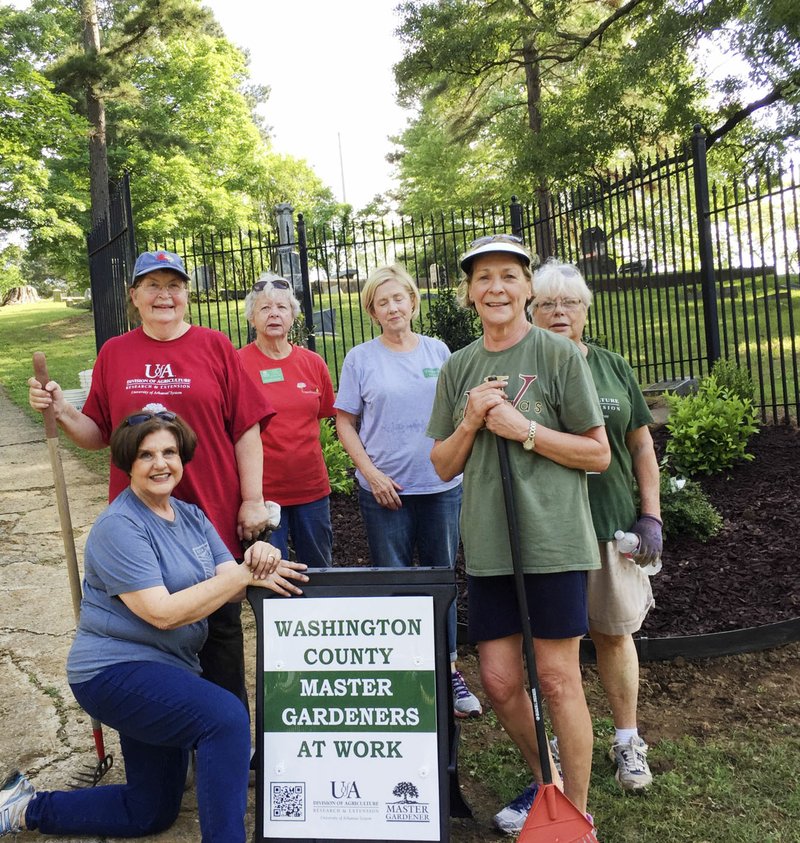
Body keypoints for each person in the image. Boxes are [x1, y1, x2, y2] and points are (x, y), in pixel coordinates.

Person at [0, 410, 307, 841]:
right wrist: (240, 574)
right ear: (128, 463)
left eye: (169, 452)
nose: (160, 463)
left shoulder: (192, 517)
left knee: (150, 811)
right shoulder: (119, 527)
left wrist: (259, 560)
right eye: (146, 455)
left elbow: (233, 586)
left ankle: (24, 809)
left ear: (182, 457)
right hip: (114, 673)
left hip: (167, 672)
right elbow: (161, 612)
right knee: (225, 719)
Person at [28, 250, 274, 710]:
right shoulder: (115, 352)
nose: (165, 295)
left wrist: (253, 499)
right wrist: (60, 410)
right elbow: (99, 434)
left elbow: (246, 428)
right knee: (149, 633)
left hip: (209, 512)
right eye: (153, 285)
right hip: (139, 526)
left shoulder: (215, 346)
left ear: (186, 294)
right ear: (135, 296)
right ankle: (169, 746)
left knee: (219, 632)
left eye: (174, 285)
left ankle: (226, 746)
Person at [426, 234, 610, 836]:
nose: (496, 288)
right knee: (502, 683)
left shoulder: (558, 356)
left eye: (508, 276)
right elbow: (443, 465)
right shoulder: (459, 367)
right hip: (487, 544)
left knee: (557, 680)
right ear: (469, 292)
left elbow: (597, 454)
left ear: (528, 287)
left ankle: (574, 816)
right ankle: (547, 781)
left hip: (552, 539)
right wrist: (475, 419)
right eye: (483, 278)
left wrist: (522, 428)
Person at [531, 258, 660, 792]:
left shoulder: (611, 366)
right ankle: (565, 735)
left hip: (610, 527)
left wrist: (650, 513)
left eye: (571, 303)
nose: (560, 312)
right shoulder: (522, 369)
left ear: (586, 309)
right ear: (530, 311)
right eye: (547, 304)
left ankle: (626, 740)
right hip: (551, 532)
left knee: (614, 634)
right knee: (555, 647)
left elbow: (640, 443)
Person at [335, 263, 481, 719]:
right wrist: (372, 475)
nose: (393, 307)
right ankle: (404, 673)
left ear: (413, 302)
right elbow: (345, 422)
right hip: (384, 491)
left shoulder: (438, 351)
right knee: (393, 583)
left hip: (440, 486)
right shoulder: (360, 358)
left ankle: (448, 670)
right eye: (383, 302)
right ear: (372, 311)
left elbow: (462, 412)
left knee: (442, 578)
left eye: (400, 298)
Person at [238, 273, 336, 568]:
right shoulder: (237, 364)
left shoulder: (313, 363)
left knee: (319, 572)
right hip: (263, 496)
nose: (274, 314)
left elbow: (324, 416)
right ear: (252, 319)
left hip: (312, 491)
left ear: (293, 315)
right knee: (267, 575)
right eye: (264, 308)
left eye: (282, 307)